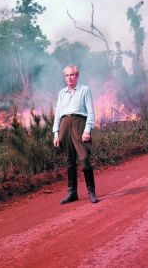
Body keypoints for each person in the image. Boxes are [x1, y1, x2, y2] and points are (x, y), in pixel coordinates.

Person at [53, 65, 99, 204]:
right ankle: (72, 192)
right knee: (70, 160)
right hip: (64, 124)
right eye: (67, 75)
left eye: (72, 75)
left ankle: (91, 192)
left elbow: (90, 112)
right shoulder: (62, 93)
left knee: (84, 158)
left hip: (79, 123)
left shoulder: (84, 90)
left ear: (77, 76)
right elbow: (57, 114)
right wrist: (56, 133)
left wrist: (87, 130)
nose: (69, 78)